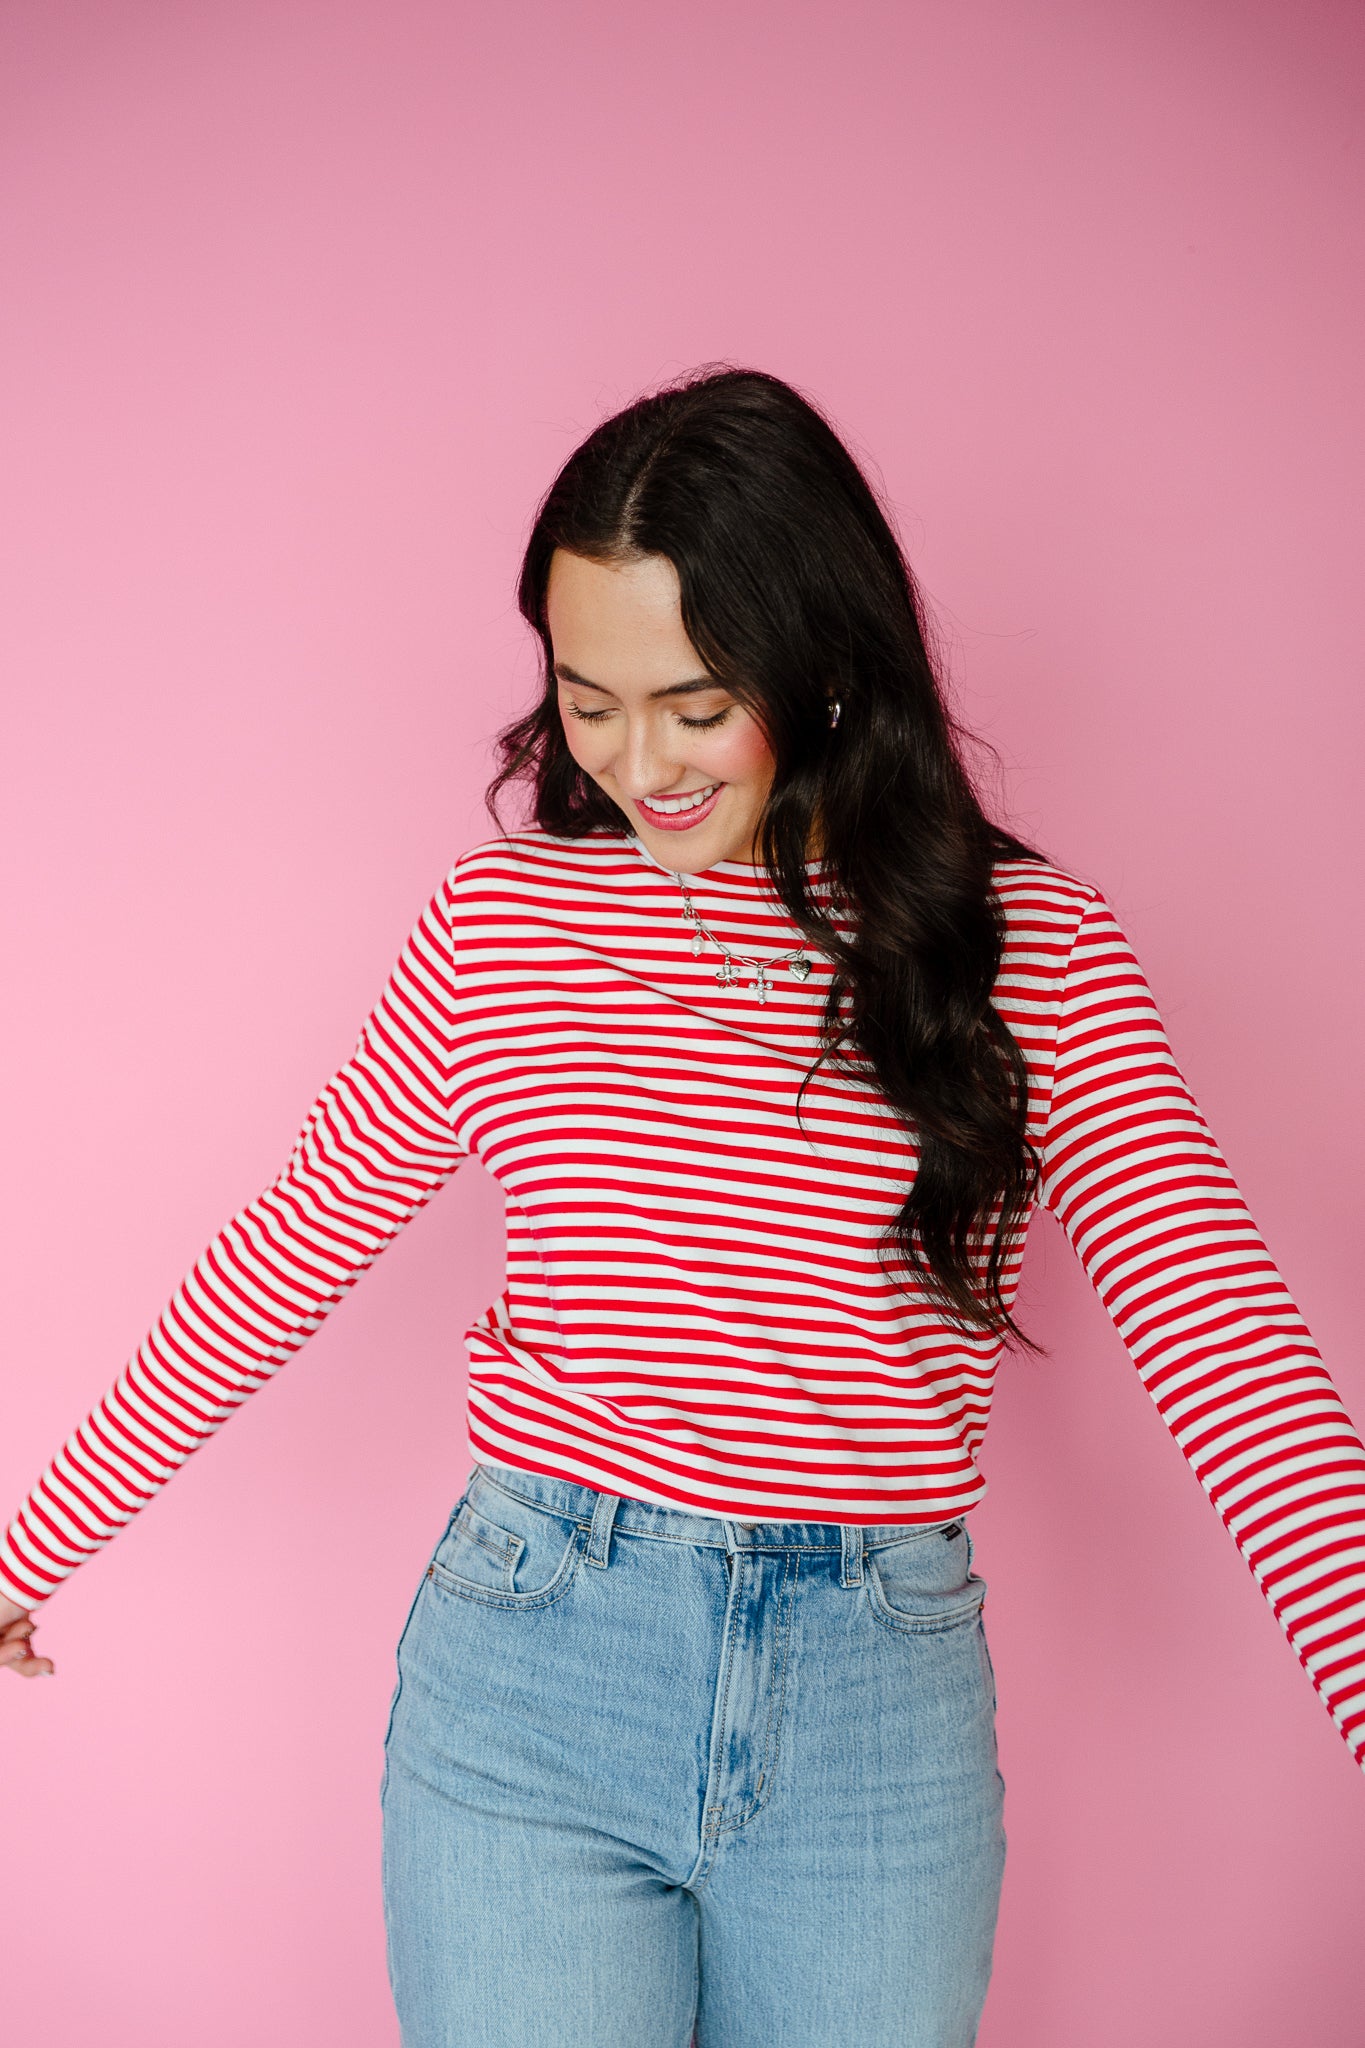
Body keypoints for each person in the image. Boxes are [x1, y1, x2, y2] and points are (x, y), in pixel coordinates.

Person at [3, 365, 1362, 2048]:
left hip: (878, 1696)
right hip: (534, 1663)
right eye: (587, 699)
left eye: (694, 704)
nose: (635, 760)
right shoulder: (503, 923)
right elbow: (289, 1249)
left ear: (824, 663)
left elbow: (1217, 1330)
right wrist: (29, 1542)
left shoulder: (1030, 950)